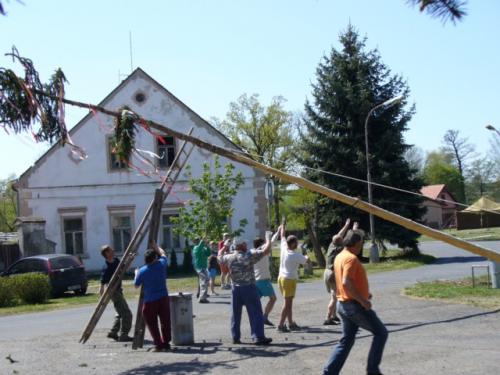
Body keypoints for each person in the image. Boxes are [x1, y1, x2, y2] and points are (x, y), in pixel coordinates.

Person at [323, 229, 388, 375]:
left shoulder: (340, 256)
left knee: (346, 340)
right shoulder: (351, 259)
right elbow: (346, 282)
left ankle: (330, 372)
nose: (361, 246)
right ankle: (372, 370)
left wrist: (364, 292)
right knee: (381, 333)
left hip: (343, 304)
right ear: (357, 244)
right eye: (361, 244)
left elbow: (341, 280)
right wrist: (362, 300)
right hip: (353, 306)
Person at [218, 236, 273, 346]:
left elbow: (219, 256)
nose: (246, 245)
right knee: (256, 313)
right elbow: (266, 251)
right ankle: (258, 337)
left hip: (235, 289)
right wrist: (268, 239)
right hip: (249, 287)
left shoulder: (229, 257)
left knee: (235, 314)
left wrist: (225, 246)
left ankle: (235, 337)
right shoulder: (249, 256)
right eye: (245, 243)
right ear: (241, 245)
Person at [134, 242, 171, 352]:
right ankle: (166, 343)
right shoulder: (161, 264)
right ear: (155, 258)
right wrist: (156, 246)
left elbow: (136, 285)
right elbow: (163, 253)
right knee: (165, 321)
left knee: (152, 323)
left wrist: (136, 273)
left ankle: (158, 345)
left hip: (150, 301)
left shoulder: (142, 271)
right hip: (163, 297)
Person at [323, 219, 356, 326]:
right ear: (341, 242)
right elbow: (350, 241)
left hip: (327, 272)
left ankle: (333, 315)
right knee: (334, 297)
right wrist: (354, 230)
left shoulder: (331, 245)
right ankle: (328, 317)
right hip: (333, 273)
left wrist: (346, 225)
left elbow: (338, 235)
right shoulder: (340, 249)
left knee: (334, 295)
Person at [277, 221, 308, 332]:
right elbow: (305, 261)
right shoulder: (295, 255)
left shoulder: (284, 247)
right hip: (289, 280)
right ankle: (280, 325)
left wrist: (283, 226)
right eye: (296, 243)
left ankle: (290, 323)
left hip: (281, 278)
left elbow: (282, 235)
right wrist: (306, 254)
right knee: (287, 303)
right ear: (293, 244)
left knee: (289, 302)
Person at [100, 245, 133, 342]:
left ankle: (113, 332)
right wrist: (101, 295)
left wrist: (130, 260)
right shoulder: (106, 267)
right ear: (107, 253)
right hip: (113, 292)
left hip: (118, 290)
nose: (113, 250)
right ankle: (124, 335)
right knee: (127, 314)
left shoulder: (116, 261)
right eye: (111, 250)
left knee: (119, 312)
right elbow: (102, 283)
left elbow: (124, 269)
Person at [253, 228, 280, 326]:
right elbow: (272, 242)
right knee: (273, 299)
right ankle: (264, 317)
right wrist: (278, 231)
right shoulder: (262, 251)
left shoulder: (253, 253)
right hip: (263, 280)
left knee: (256, 301)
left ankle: (257, 318)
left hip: (256, 280)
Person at [192, 238, 211, 303]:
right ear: (194, 242)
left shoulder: (203, 248)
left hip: (204, 267)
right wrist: (203, 240)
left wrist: (207, 246)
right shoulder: (195, 248)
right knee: (204, 281)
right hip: (199, 267)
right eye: (196, 240)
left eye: (198, 240)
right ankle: (202, 298)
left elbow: (208, 253)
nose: (198, 241)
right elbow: (199, 248)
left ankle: (203, 297)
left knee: (206, 280)